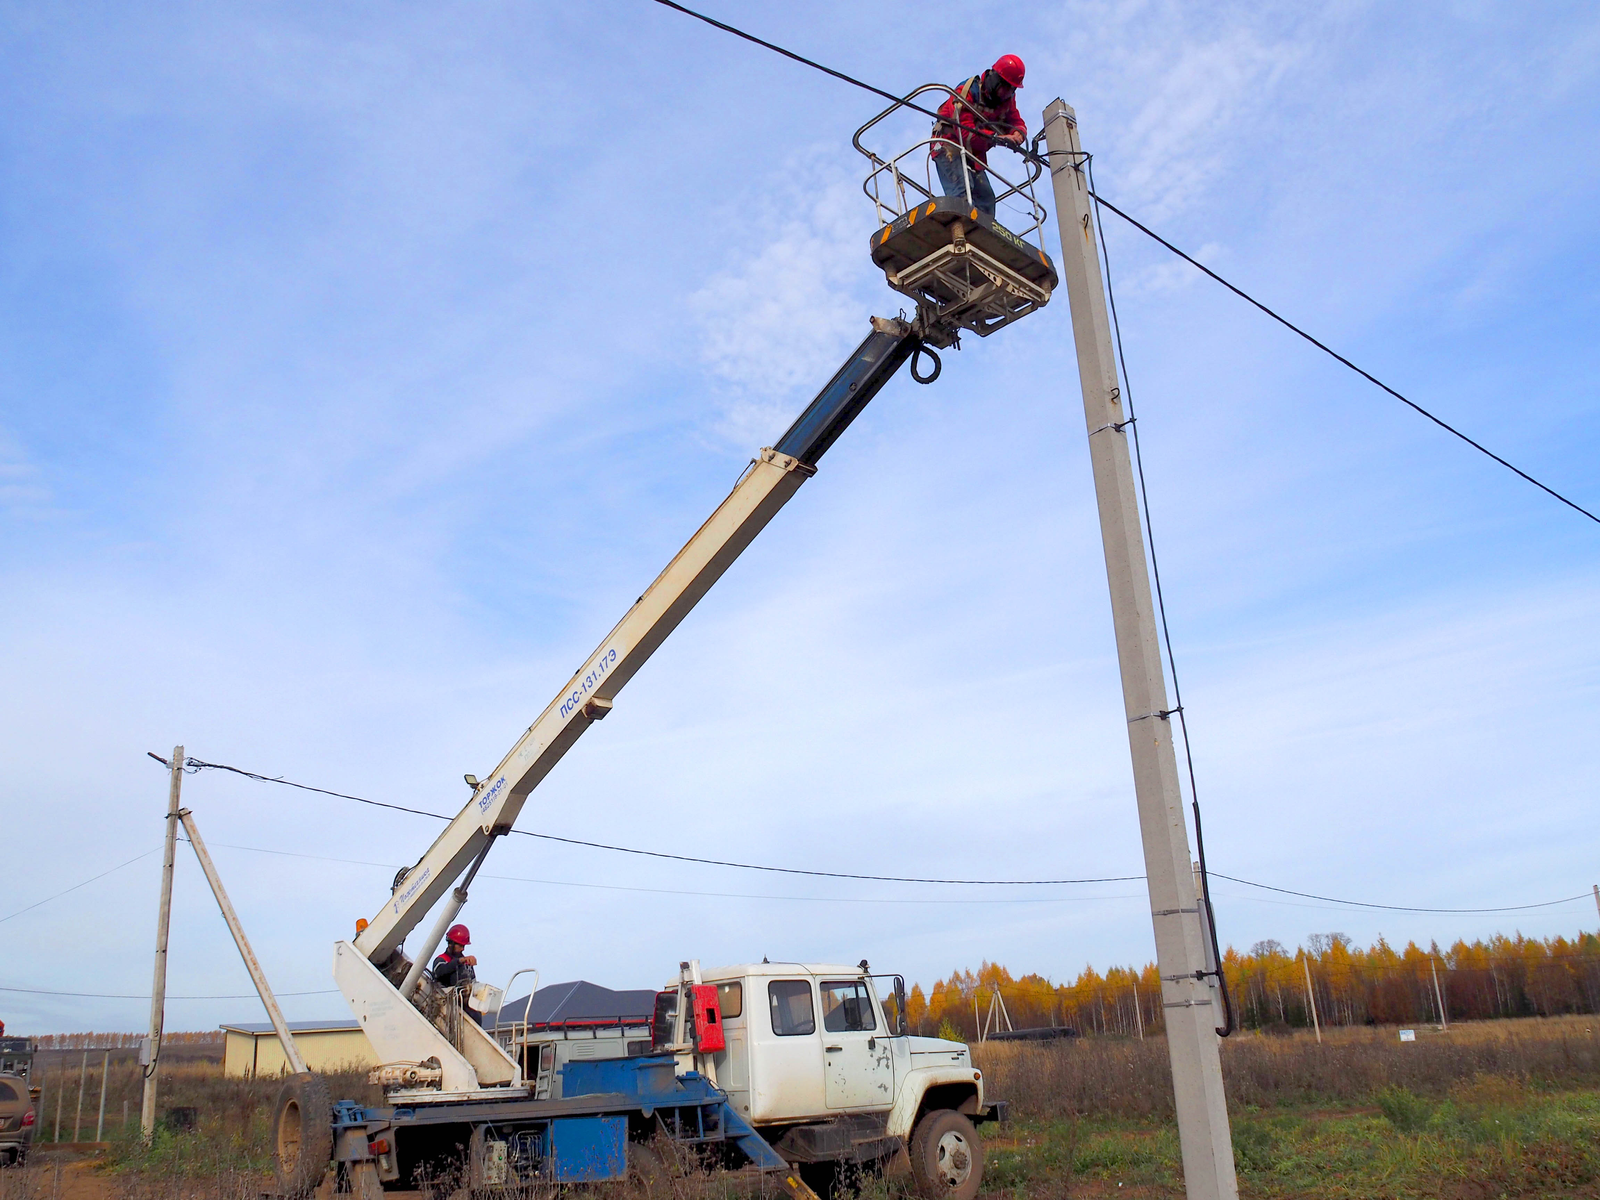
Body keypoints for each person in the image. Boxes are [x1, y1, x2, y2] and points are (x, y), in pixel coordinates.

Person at [931, 54, 1027, 219]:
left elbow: (1015, 120)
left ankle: (984, 235)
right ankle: (960, 228)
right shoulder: (966, 93)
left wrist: (1019, 132)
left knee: (986, 200)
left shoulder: (1007, 100)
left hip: (973, 154)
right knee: (961, 191)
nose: (1006, 94)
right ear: (995, 79)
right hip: (949, 144)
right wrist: (998, 137)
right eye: (1005, 88)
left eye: (1011, 90)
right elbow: (965, 133)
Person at [431, 923, 483, 1026]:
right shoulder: (441, 960)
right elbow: (439, 972)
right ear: (451, 943)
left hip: (468, 1011)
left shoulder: (466, 963)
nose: (463, 949)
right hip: (448, 1012)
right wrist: (459, 961)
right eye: (461, 945)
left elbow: (473, 983)